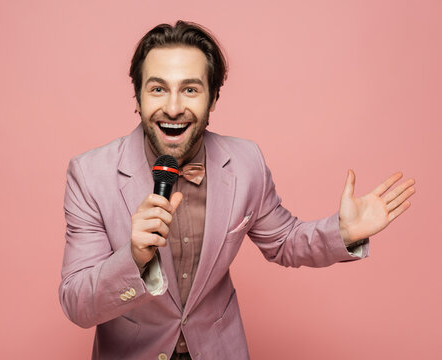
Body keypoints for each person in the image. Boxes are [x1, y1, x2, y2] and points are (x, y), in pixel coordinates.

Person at [59, 21, 415, 360]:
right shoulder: (90, 174)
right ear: (137, 97)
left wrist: (343, 233)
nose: (172, 107)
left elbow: (285, 242)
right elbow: (77, 303)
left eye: (190, 89)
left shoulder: (246, 162)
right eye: (157, 89)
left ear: (213, 99)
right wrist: (133, 256)